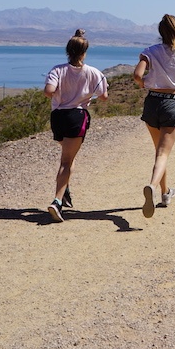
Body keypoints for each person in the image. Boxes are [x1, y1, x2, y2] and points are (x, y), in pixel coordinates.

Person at [133, 14, 175, 218]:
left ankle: (165, 193)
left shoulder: (150, 52)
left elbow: (137, 76)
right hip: (173, 103)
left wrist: (149, 82)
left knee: (159, 152)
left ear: (160, 32)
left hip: (152, 102)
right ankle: (153, 187)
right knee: (163, 154)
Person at [44, 29, 109, 223]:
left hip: (57, 117)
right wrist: (86, 94)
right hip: (77, 117)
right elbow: (104, 97)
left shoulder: (57, 70)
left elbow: (49, 91)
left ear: (67, 50)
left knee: (67, 158)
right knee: (67, 161)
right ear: (85, 52)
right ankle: (57, 201)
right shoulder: (94, 73)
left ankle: (65, 189)